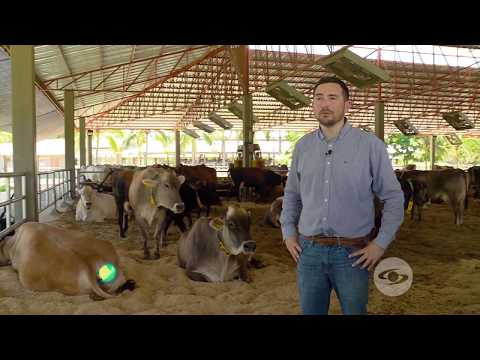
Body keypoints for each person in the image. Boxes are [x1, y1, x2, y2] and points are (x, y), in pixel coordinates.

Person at [280, 76, 404, 315]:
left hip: (352, 254)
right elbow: (292, 193)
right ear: (313, 104)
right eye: (319, 98)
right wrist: (287, 232)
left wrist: (380, 243)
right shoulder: (303, 146)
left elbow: (393, 197)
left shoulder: (370, 145)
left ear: (347, 105)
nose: (325, 104)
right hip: (308, 251)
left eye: (332, 98)